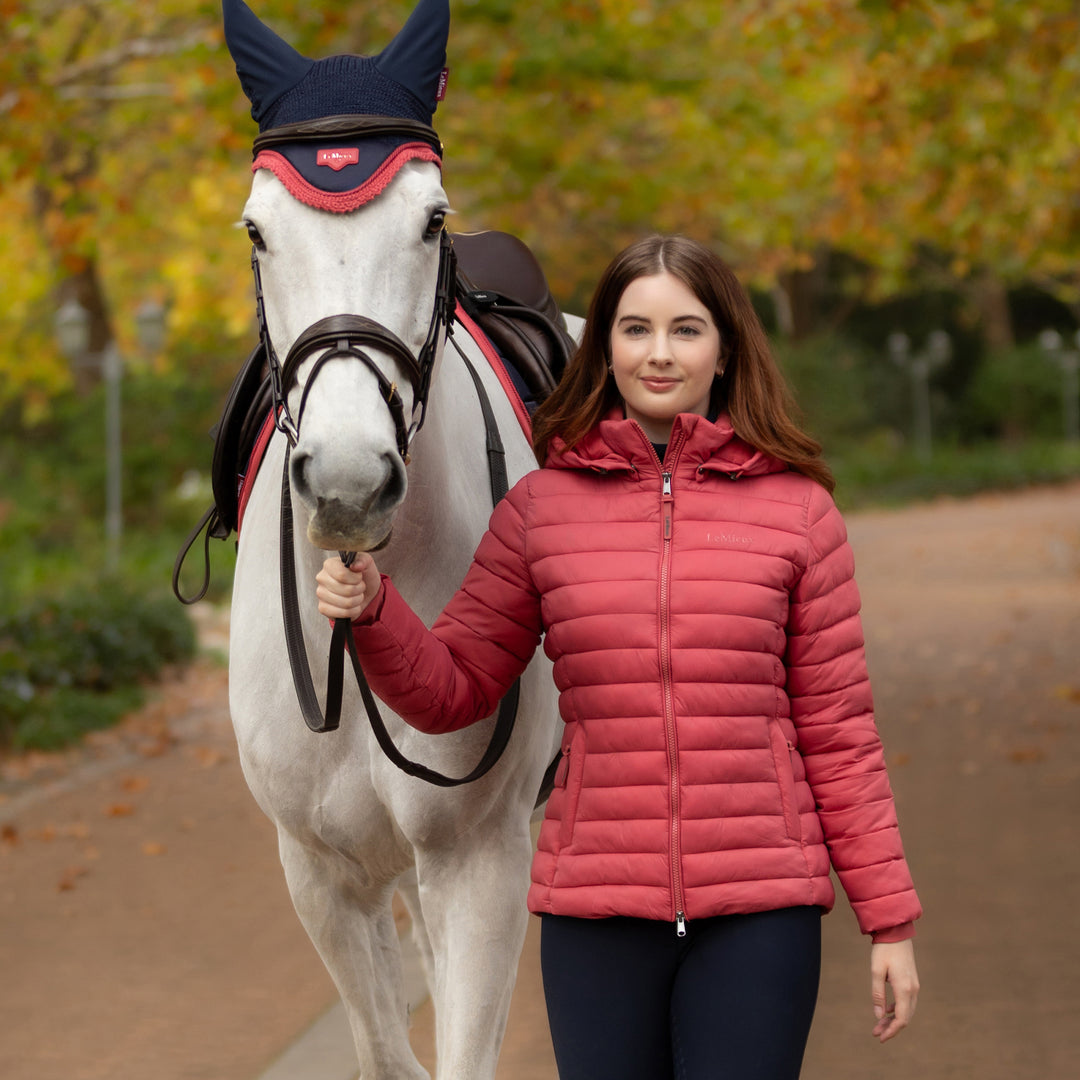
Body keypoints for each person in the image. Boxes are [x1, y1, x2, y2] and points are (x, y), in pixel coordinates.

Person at [316, 235, 921, 1079]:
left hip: (761, 912)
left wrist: (889, 922)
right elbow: (454, 689)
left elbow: (840, 734)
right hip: (596, 914)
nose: (659, 353)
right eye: (636, 330)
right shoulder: (541, 510)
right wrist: (376, 611)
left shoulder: (799, 514)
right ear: (604, 347)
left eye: (685, 329)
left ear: (725, 349)